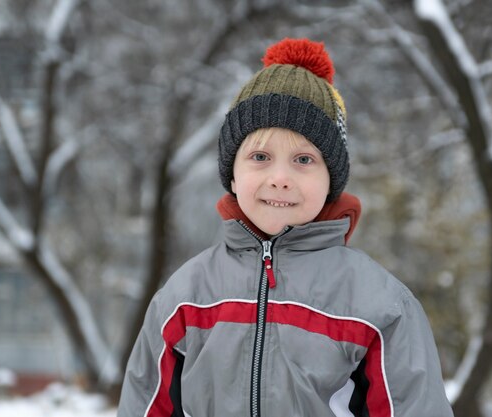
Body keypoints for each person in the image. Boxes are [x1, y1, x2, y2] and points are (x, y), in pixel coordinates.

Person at [117, 38, 454, 417]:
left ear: (332, 179)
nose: (280, 177)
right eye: (260, 157)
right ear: (231, 174)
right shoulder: (184, 297)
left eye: (304, 159)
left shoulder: (380, 306)